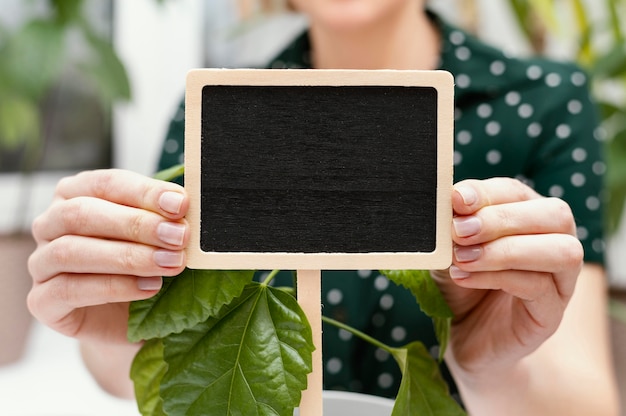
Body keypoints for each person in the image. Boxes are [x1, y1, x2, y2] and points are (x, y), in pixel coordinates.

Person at [27, 0, 620, 414]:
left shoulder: (543, 105)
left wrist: (487, 364)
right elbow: (139, 370)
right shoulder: (222, 111)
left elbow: (585, 402)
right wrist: (117, 319)